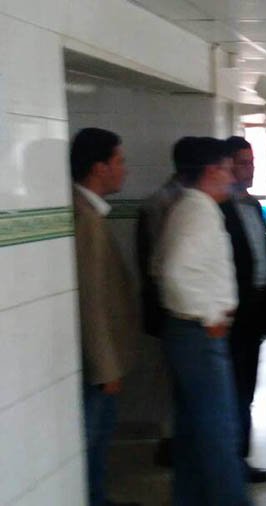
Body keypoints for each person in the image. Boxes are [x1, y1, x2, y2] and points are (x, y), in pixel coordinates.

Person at [154, 137, 251, 506]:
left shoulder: (189, 207)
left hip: (186, 332)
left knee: (194, 429)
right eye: (228, 169)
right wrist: (210, 316)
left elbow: (159, 266)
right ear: (211, 171)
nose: (232, 177)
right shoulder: (197, 211)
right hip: (197, 333)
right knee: (218, 429)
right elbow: (173, 272)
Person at [71, 128, 140, 506]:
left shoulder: (91, 212)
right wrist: (105, 368)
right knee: (92, 438)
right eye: (119, 161)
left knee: (99, 437)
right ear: (99, 168)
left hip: (103, 360)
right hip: (98, 365)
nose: (124, 170)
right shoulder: (85, 218)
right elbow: (90, 300)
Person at [220, 136, 266, 483]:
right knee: (232, 391)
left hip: (255, 310)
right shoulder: (218, 208)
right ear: (227, 165)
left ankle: (240, 458)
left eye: (253, 161)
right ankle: (230, 463)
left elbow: (261, 263)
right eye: (244, 162)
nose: (251, 168)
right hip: (231, 315)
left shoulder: (253, 206)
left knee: (247, 388)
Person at [135, 137, 192, 468]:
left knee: (173, 378)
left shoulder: (168, 200)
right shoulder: (169, 204)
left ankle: (175, 440)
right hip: (171, 309)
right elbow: (162, 265)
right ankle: (172, 442)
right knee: (172, 379)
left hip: (168, 306)